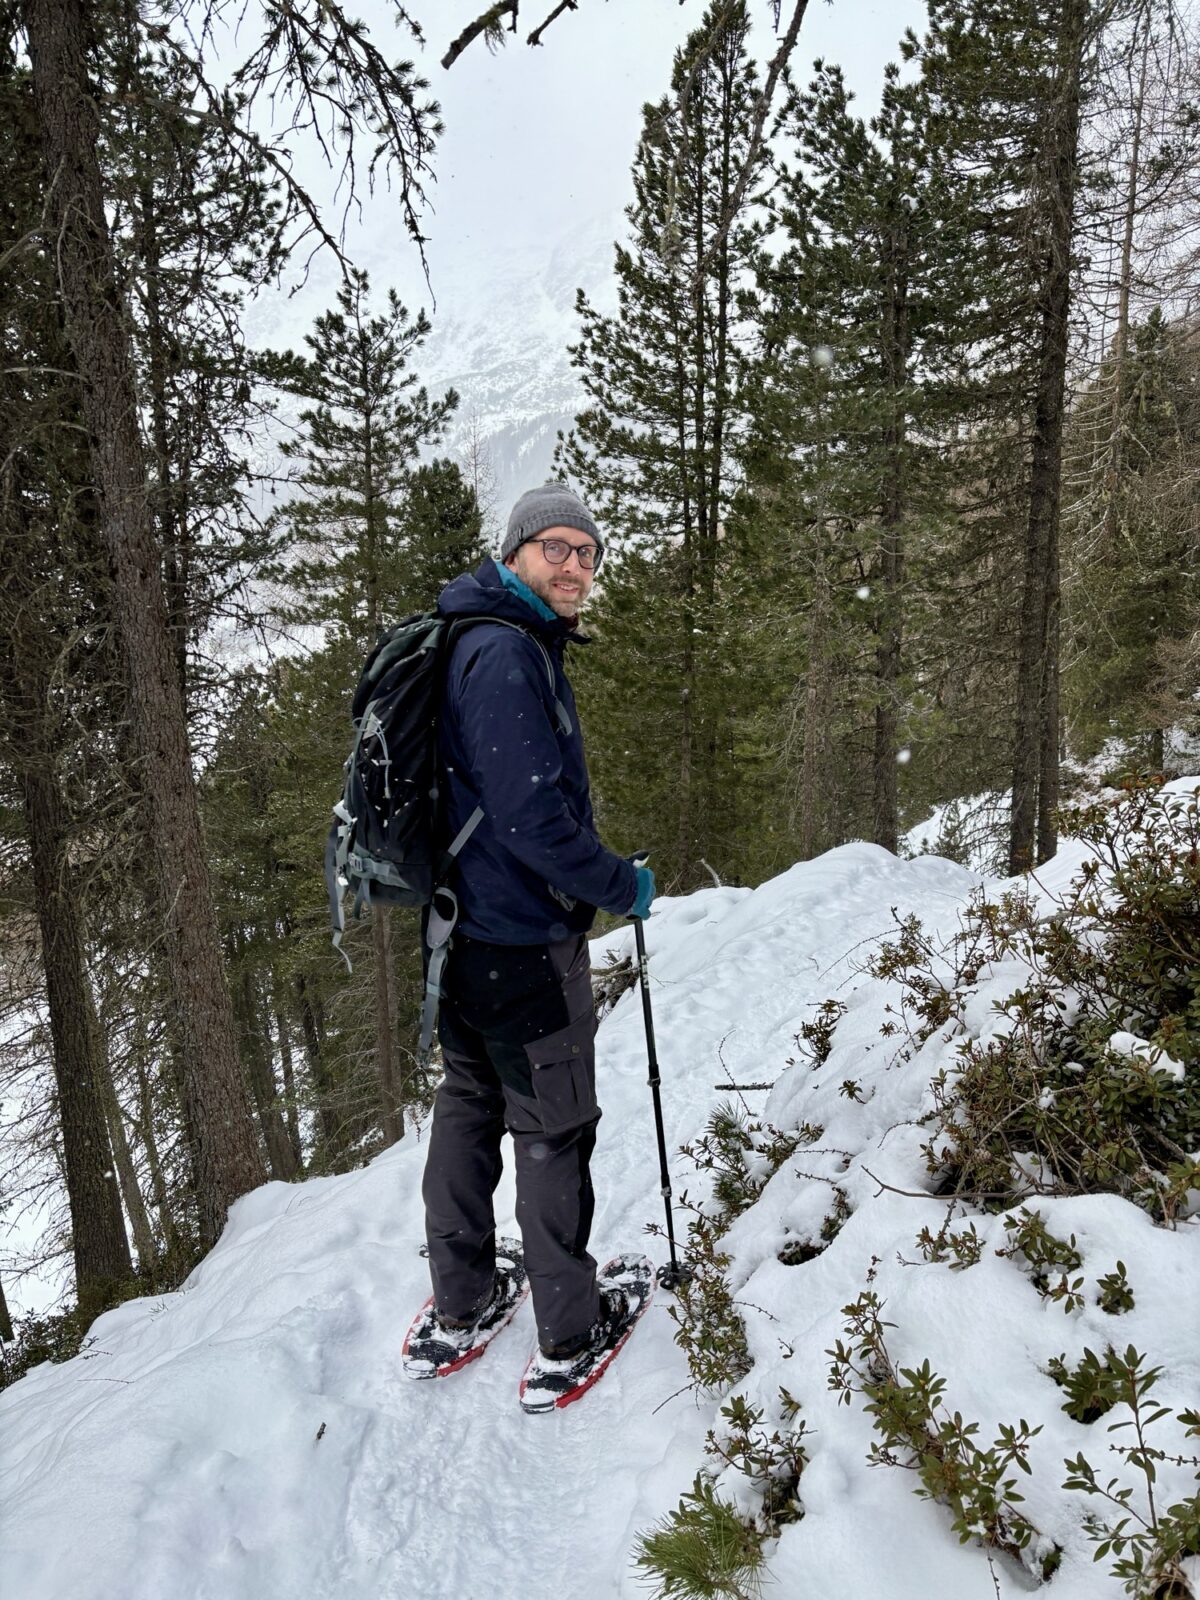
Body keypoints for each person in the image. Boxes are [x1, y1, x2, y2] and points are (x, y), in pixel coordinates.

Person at [419, 482, 655, 1372]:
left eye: (588, 552)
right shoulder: (508, 656)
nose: (575, 567)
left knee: (470, 1106)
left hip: (461, 934)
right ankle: (568, 1324)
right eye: (556, 548)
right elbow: (532, 821)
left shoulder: (468, 638)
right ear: (515, 553)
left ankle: (464, 1294)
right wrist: (621, 885)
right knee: (552, 1125)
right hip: (520, 944)